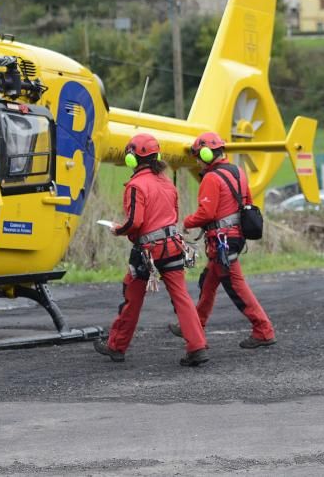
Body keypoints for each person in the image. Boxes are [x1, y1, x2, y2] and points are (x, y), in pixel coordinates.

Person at [94, 133, 209, 367]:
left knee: (132, 297)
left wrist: (119, 229)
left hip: (147, 252)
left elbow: (135, 222)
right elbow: (173, 215)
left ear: (132, 159)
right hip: (173, 247)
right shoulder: (168, 182)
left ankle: (116, 346)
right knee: (182, 298)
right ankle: (197, 347)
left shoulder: (136, 186)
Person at [170, 132, 276, 350]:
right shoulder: (238, 172)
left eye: (199, 156)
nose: (197, 161)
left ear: (207, 154)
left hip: (222, 242)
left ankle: (263, 330)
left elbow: (206, 214)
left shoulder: (211, 178)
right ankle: (195, 325)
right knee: (208, 282)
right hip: (233, 237)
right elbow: (248, 202)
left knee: (236, 287)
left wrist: (186, 223)